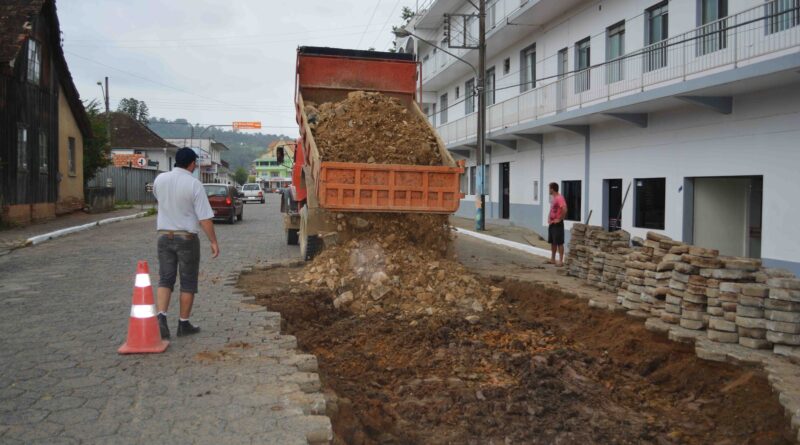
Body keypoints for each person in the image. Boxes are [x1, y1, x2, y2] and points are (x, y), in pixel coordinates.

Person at [152, 147, 220, 339]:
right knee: (188, 281)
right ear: (191, 164)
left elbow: (159, 199)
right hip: (187, 239)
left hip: (164, 236)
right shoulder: (194, 184)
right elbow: (205, 219)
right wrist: (213, 242)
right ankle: (183, 324)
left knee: (165, 279)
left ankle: (161, 319)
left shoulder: (160, 179)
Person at [547, 182, 567, 267]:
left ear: (552, 189)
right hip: (552, 223)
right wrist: (549, 217)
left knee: (559, 242)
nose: (548, 190)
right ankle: (553, 259)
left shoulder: (560, 198)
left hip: (557, 224)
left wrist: (559, 219)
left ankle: (561, 261)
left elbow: (565, 209)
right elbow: (552, 209)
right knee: (553, 242)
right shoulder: (553, 198)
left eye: (549, 188)